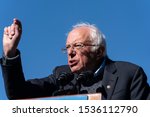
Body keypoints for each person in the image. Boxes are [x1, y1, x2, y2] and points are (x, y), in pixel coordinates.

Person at [0, 18, 149, 100]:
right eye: (67, 48)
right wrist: (10, 53)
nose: (70, 53)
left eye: (77, 46)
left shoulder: (129, 74)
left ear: (99, 51)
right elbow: (18, 94)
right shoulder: (61, 76)